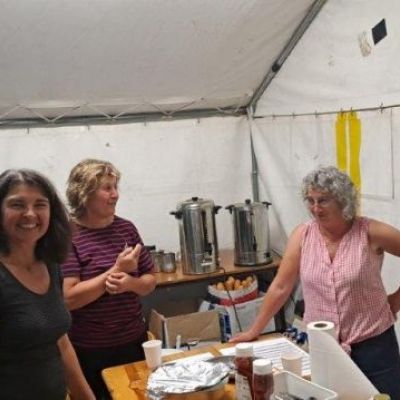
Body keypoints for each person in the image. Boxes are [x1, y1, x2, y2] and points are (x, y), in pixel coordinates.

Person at [231, 166, 400, 398]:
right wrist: (254, 330)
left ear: (343, 200)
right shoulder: (302, 235)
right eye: (310, 200)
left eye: (323, 200)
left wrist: (396, 300)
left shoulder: (370, 232)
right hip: (324, 346)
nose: (315, 208)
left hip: (373, 346)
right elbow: (281, 286)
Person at [62, 159, 156, 400]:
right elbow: (68, 298)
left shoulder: (126, 229)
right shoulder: (69, 236)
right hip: (90, 351)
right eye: (107, 188)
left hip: (133, 341)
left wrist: (131, 284)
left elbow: (150, 281)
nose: (115, 194)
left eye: (115, 187)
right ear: (84, 194)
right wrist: (115, 271)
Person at [0, 169, 95, 400]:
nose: (30, 214)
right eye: (17, 204)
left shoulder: (51, 265)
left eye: (40, 204)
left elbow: (61, 342)